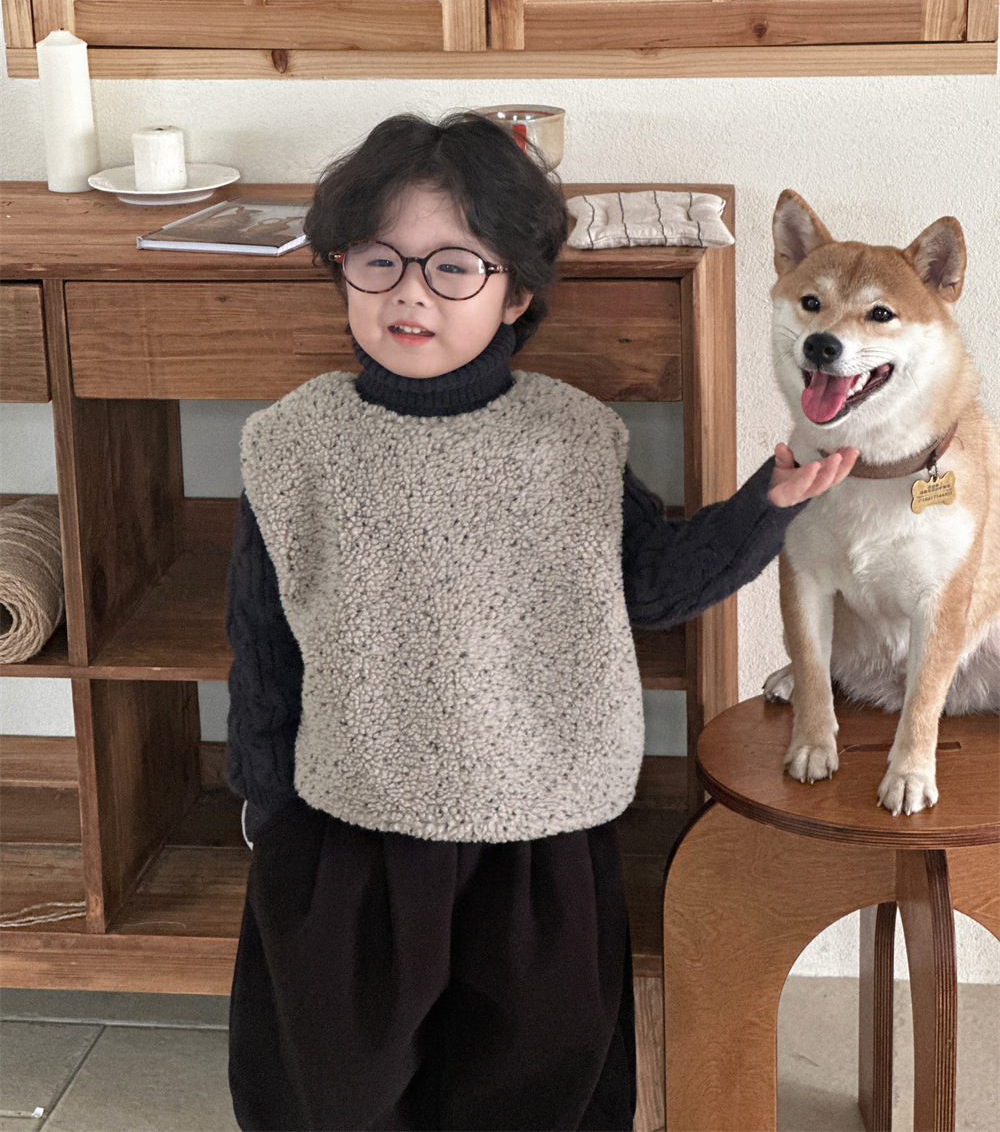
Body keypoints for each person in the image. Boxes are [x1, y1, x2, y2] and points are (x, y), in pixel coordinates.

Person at [225, 112, 857, 1132]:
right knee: (336, 1085)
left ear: (515, 291)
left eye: (452, 267)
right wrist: (266, 800)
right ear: (341, 269)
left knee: (533, 1080)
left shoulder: (568, 437)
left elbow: (649, 584)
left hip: (537, 834)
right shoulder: (293, 442)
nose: (410, 292)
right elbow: (260, 636)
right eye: (378, 260)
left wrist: (764, 507)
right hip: (352, 826)